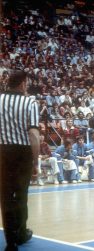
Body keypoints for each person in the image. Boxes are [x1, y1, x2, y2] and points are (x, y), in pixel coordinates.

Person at [0, 70, 40, 251]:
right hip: (22, 152)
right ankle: (21, 233)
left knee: (5, 196)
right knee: (21, 194)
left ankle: (10, 241)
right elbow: (33, 134)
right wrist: (36, 161)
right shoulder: (29, 102)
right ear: (23, 83)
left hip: (2, 151)